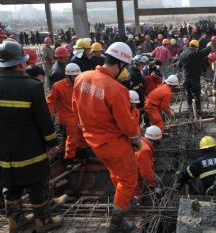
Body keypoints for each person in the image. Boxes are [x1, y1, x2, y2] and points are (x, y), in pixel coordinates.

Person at [72, 42, 141, 232]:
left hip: (94, 141)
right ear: (121, 65)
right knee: (128, 179)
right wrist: (136, 140)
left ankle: (123, 201)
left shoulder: (82, 78)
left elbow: (75, 108)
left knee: (115, 173)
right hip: (114, 143)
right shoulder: (116, 89)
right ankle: (117, 224)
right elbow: (126, 124)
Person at [0, 41, 63, 232]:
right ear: (21, 64)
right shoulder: (32, 86)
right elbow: (44, 120)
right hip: (30, 148)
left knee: (10, 183)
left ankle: (14, 221)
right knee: (37, 183)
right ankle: (43, 221)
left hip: (3, 150)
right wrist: (52, 142)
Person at [47, 63, 87, 165]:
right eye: (74, 76)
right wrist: (49, 116)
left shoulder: (80, 84)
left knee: (83, 135)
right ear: (68, 76)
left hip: (79, 115)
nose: (76, 78)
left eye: (77, 75)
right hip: (66, 117)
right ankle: (69, 158)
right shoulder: (58, 86)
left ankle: (82, 152)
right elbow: (50, 101)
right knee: (72, 137)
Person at [178, 39, 211, 116]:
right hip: (195, 80)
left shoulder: (182, 54)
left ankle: (190, 111)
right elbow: (207, 50)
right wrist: (209, 45)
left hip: (185, 79)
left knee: (188, 96)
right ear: (196, 47)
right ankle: (198, 112)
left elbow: (179, 65)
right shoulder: (196, 53)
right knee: (197, 96)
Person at [133, 125, 158, 205]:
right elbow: (146, 172)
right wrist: (152, 185)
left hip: (130, 172)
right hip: (132, 177)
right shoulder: (145, 150)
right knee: (135, 198)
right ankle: (136, 212)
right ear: (154, 140)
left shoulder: (141, 142)